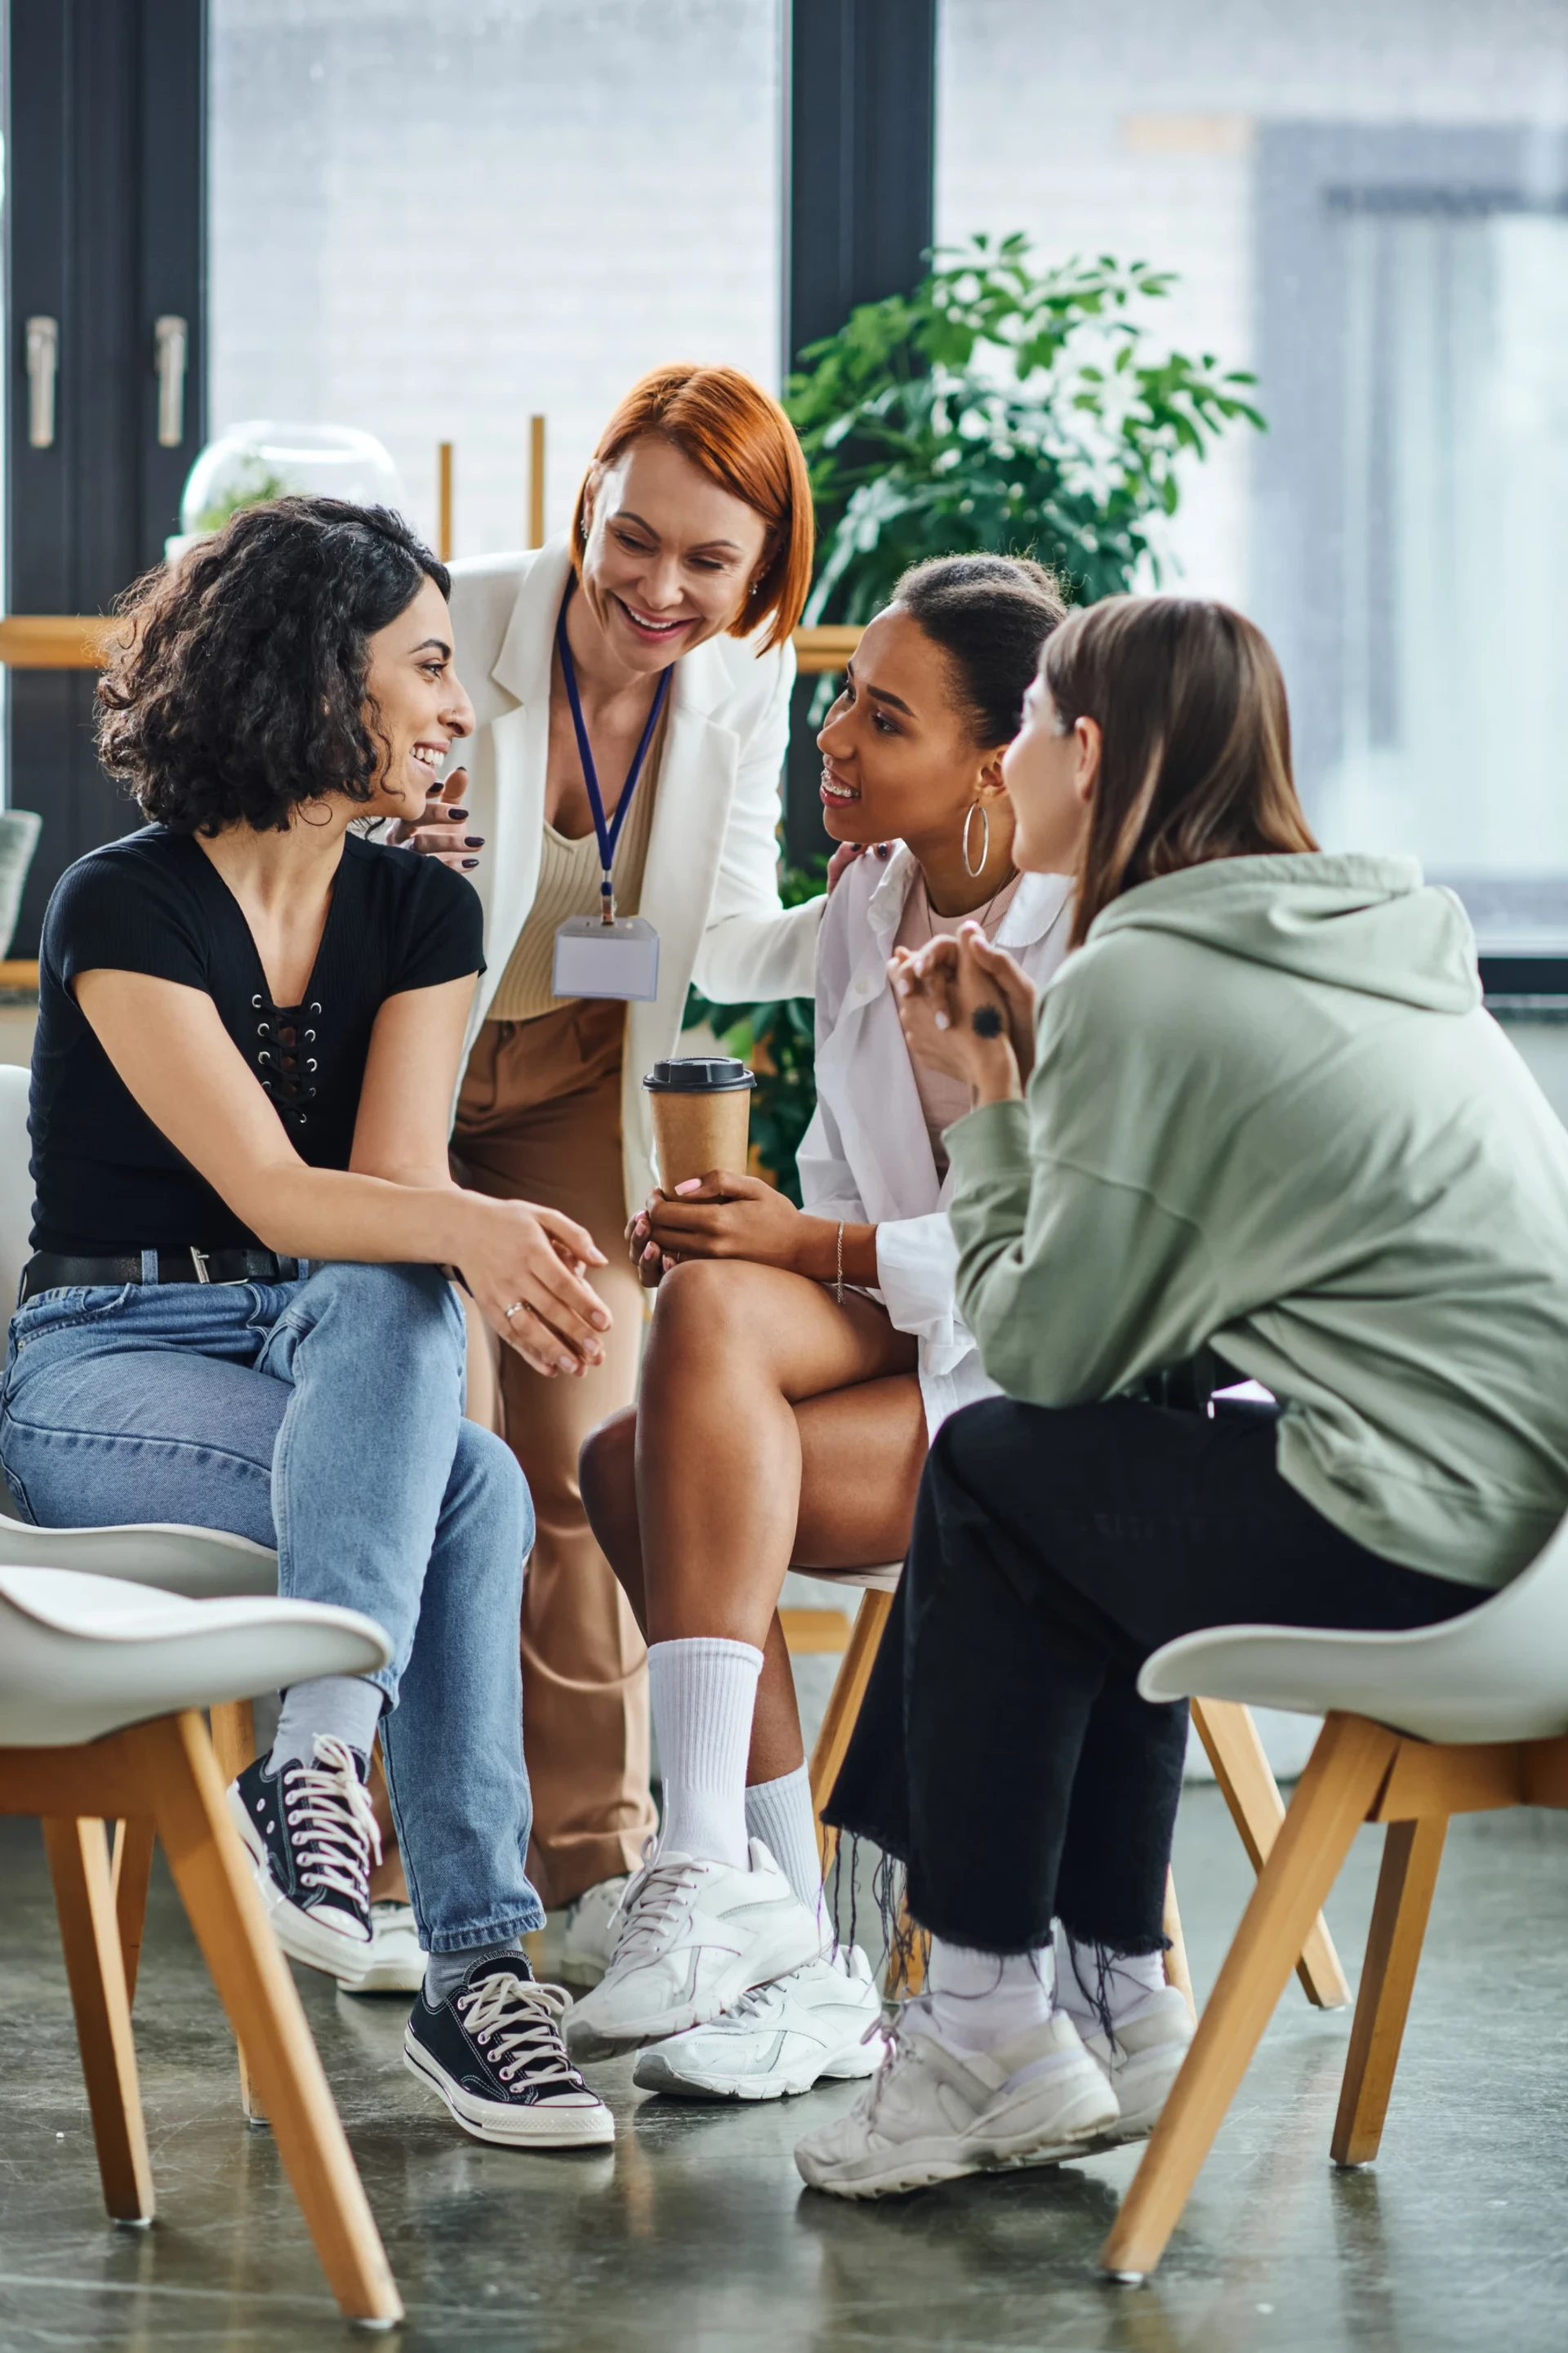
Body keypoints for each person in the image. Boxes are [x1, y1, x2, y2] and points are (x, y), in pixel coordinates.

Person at [793, 593, 1568, 2200]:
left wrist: (991, 1110)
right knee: (1129, 1452)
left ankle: (987, 2027)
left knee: (996, 1466)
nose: (1004, 764)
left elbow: (1045, 1354)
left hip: (1435, 1542)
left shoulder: (1151, 973)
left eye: (1023, 731)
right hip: (1536, 1540)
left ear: (1086, 753)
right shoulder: (1354, 936)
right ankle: (1112, 1988)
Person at [0, 497, 616, 2150]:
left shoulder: (425, 916)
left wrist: (458, 1232)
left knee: (426, 1349)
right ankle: (456, 1938)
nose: (456, 706)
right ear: (306, 676)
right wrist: (479, 1232)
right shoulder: (118, 903)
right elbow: (279, 1194)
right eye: (424, 663)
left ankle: (344, 1804)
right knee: (469, 1471)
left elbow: (391, 1195)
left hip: (318, 1352)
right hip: (103, 1366)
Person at [568, 555, 1081, 2100]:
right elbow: (846, 1189)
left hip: (1037, 1395)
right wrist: (761, 1245)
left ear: (995, 760)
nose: (836, 741)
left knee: (639, 1465)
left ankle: (765, 1914)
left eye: (884, 717)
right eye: (842, 698)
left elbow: (1046, 1263)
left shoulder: (1089, 933)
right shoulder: (869, 900)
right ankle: (768, 1916)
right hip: (914, 1329)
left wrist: (819, 1246)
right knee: (659, 1392)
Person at [392, 364, 820, 1970]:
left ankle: (587, 1858)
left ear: (762, 571)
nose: (661, 588)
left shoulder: (739, 687)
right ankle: (383, 1860)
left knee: (582, 1455)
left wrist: (891, 908)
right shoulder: (455, 619)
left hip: (580, 1082)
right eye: (634, 539)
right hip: (416, 1074)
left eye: (712, 562)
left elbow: (722, 933)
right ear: (588, 505)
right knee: (435, 1446)